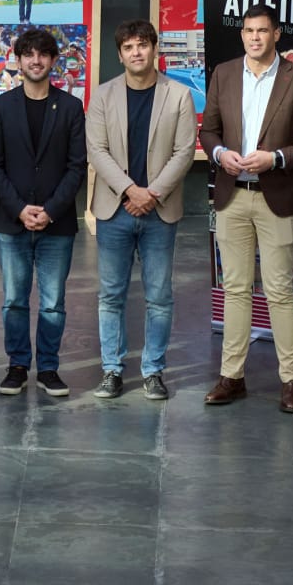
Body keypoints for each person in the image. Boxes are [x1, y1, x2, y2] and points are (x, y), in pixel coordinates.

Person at [198, 3, 293, 413]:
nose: (254, 37)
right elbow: (208, 130)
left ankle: (291, 381)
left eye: (262, 30)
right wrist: (219, 153)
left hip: (278, 197)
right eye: (248, 30)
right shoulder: (223, 74)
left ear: (276, 34)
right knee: (235, 289)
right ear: (242, 35)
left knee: (279, 291)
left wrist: (277, 158)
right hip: (232, 194)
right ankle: (231, 377)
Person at [85, 20, 194, 400]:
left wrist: (153, 193)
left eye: (142, 45)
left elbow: (184, 152)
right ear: (120, 55)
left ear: (154, 48)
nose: (136, 52)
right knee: (111, 295)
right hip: (114, 210)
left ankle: (153, 371)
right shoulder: (103, 96)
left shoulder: (178, 95)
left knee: (159, 297)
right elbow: (97, 150)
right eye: (129, 47)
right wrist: (131, 190)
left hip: (159, 212)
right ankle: (112, 370)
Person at [0, 27, 86, 398]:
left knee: (52, 303)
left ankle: (48, 368)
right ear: (18, 60)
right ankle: (17, 366)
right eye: (28, 54)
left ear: (54, 60)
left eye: (43, 54)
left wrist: (51, 210)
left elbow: (77, 166)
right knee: (14, 300)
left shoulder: (70, 108)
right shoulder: (1, 107)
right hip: (12, 223)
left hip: (56, 224)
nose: (36, 60)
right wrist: (18, 209)